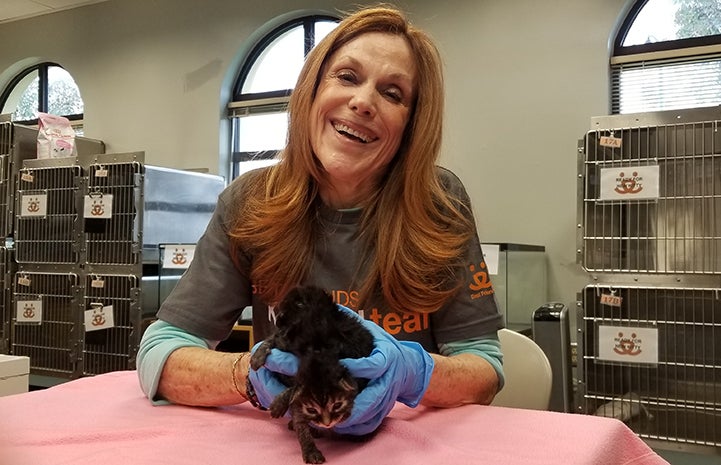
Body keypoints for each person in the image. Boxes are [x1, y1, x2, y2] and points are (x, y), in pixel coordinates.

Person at [137, 5, 504, 435]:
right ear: (311, 91)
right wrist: (248, 376)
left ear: (411, 124)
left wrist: (411, 372)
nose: (363, 102)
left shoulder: (440, 203)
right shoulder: (249, 202)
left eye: (392, 93)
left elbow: (484, 369)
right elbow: (161, 352)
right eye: (347, 77)